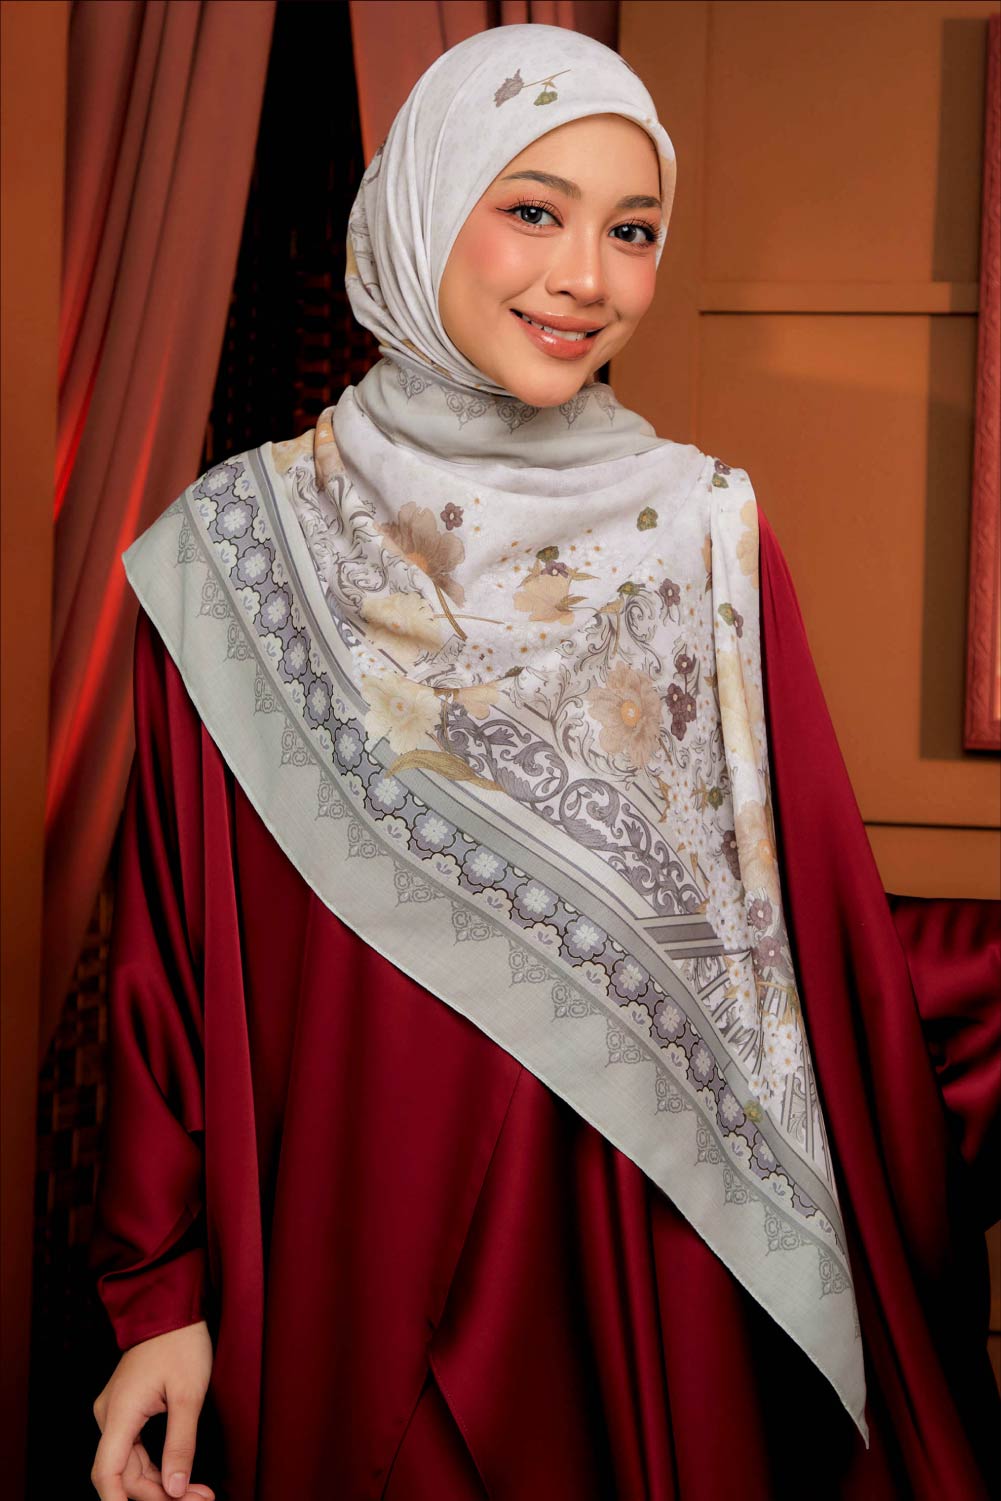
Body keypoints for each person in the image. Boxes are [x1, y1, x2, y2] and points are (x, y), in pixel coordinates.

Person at [88, 23, 999, 1501]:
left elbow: (804, 940)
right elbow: (169, 959)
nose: (587, 276)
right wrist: (158, 1294)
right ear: (421, 207)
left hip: (639, 1255)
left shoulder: (701, 537)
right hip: (339, 1256)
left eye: (632, 230)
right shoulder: (237, 550)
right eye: (532, 209)